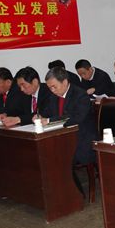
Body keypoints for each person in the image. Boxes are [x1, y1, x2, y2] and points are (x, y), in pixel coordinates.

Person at [39, 67, 97, 196]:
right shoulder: (53, 96)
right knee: (44, 155)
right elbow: (46, 112)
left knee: (61, 158)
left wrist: (49, 120)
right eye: (49, 88)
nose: (52, 90)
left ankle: (75, 195)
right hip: (61, 138)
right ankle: (55, 193)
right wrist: (39, 116)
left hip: (81, 139)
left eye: (54, 87)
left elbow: (75, 118)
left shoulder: (80, 95)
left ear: (65, 82)